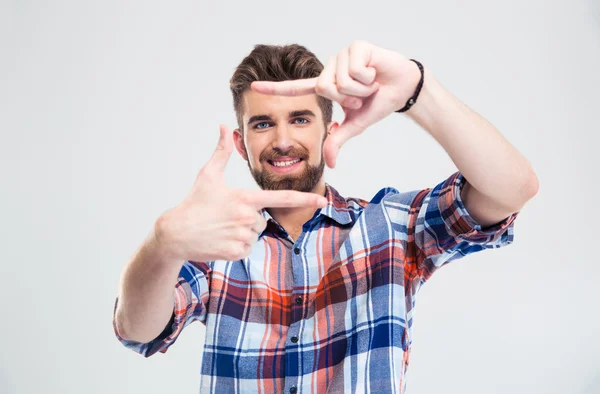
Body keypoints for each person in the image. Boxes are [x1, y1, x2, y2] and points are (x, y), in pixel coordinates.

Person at [113, 40, 539, 393]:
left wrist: (418, 92)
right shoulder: (216, 244)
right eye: (263, 124)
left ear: (328, 131)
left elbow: (510, 191)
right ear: (241, 144)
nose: (282, 141)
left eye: (300, 119)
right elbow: (138, 330)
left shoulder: (389, 228)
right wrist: (163, 241)